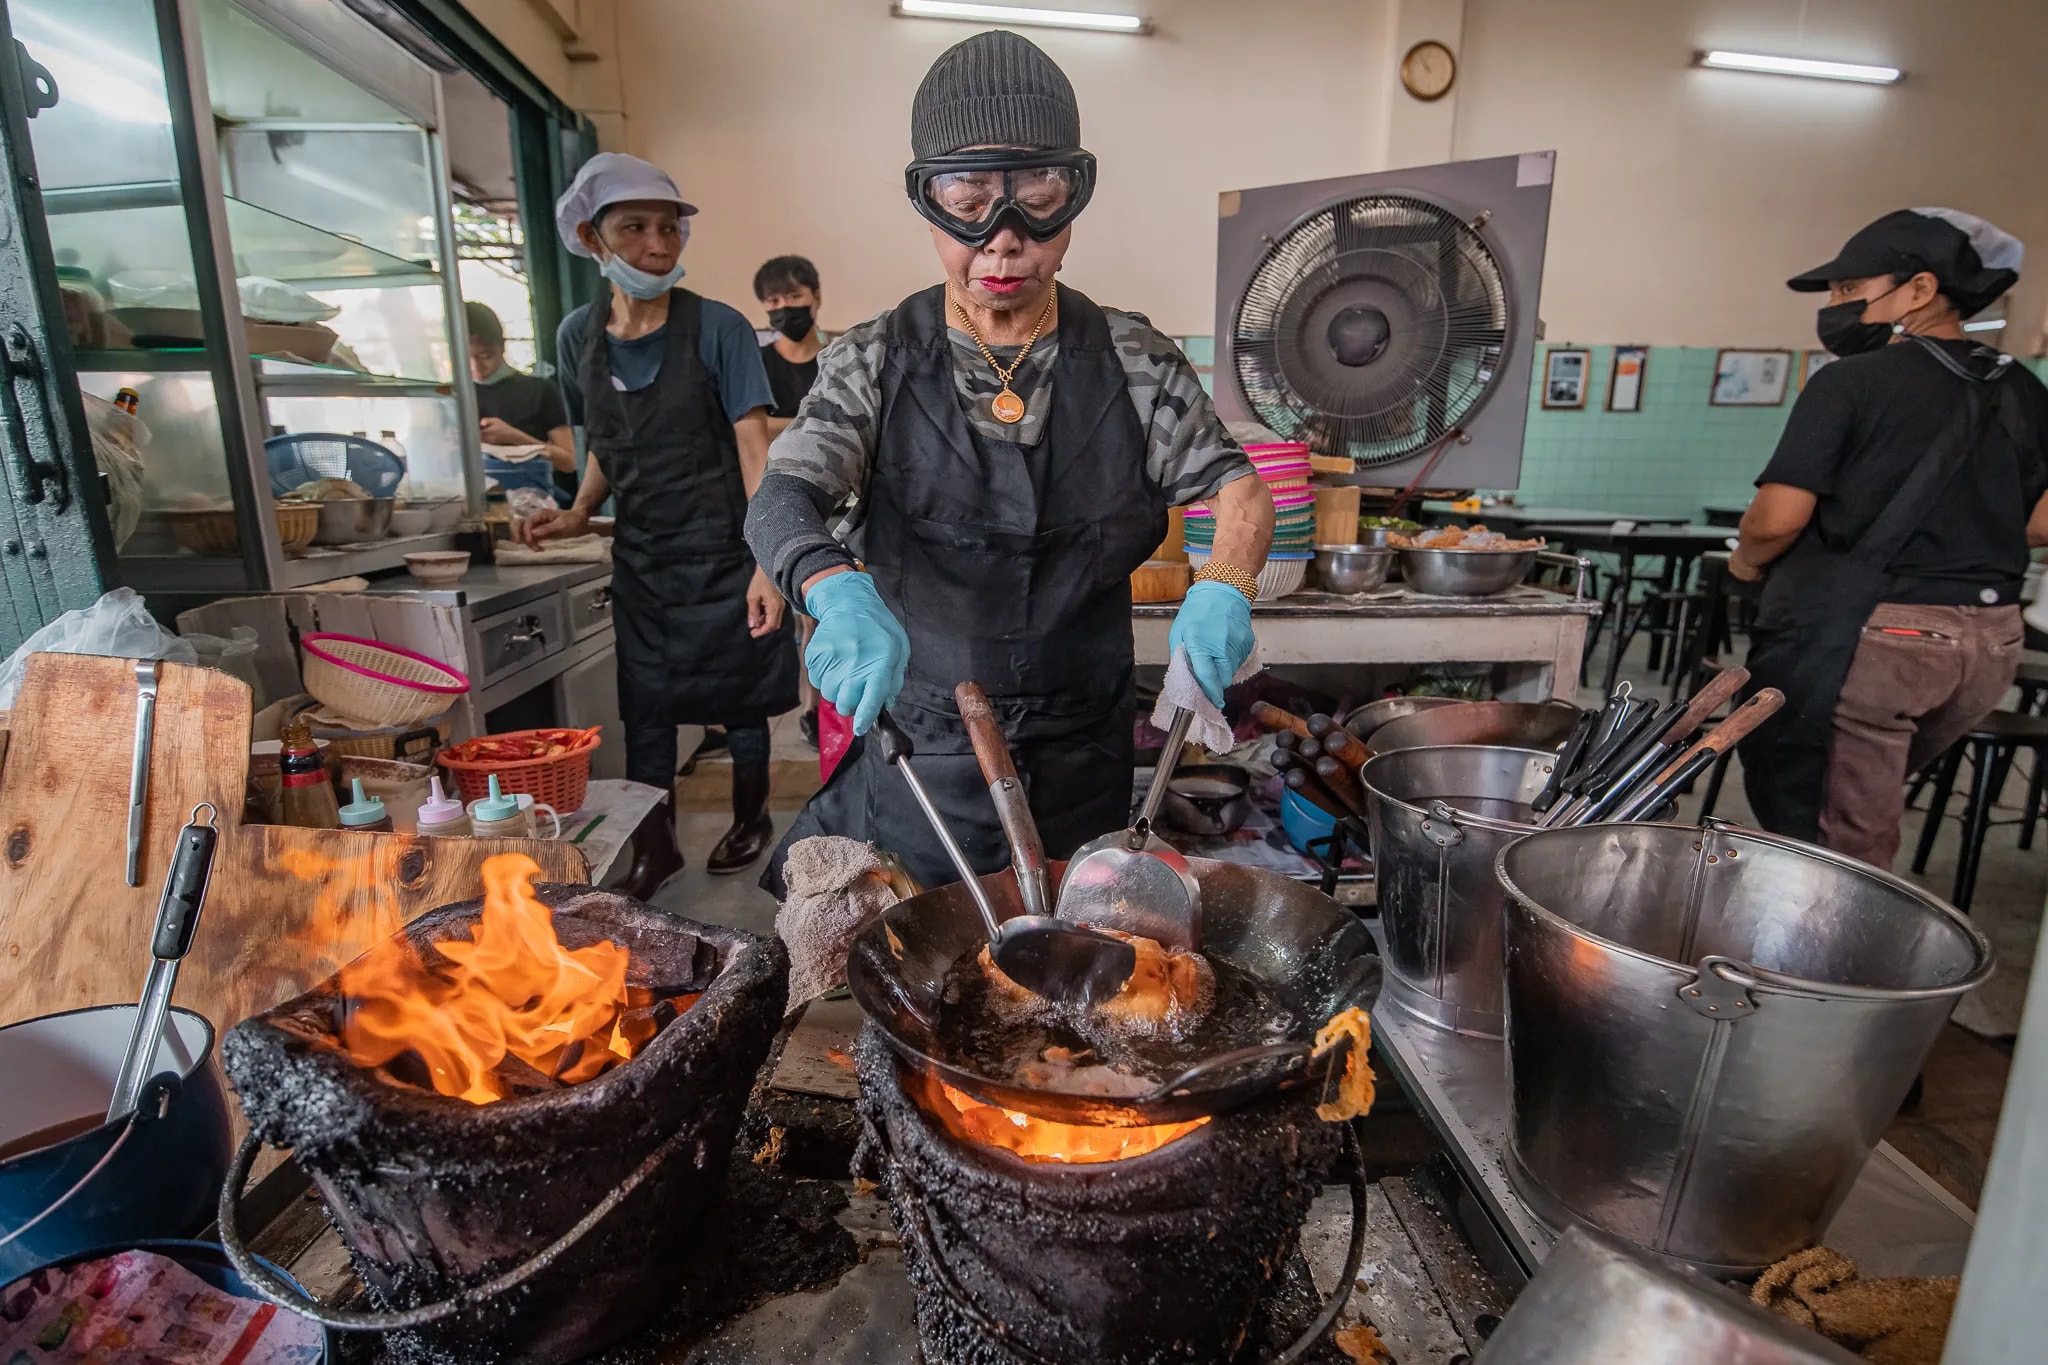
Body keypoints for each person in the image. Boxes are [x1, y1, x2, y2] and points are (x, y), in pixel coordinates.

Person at [745, 30, 1273, 895]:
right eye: (968, 200)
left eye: (1038, 199)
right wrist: (828, 584)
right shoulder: (872, 358)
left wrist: (1225, 586)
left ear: (1074, 197)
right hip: (924, 740)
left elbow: (1241, 491)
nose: (1003, 240)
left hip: (1086, 738)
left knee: (1082, 939)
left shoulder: (1135, 358)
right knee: (928, 940)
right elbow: (781, 498)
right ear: (927, 203)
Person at [1732, 207, 2048, 869]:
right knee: (1862, 797)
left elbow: (1777, 518)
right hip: (1989, 644)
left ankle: (1841, 937)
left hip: (1883, 640)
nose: (1836, 307)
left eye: (1850, 289)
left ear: (1920, 289)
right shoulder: (2023, 388)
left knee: (1838, 837)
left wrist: (1747, 562)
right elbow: (2041, 522)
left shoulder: (1850, 382)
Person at [518, 152, 799, 888]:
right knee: (646, 707)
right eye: (635, 228)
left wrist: (768, 560)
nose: (657, 244)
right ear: (591, 237)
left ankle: (750, 819)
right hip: (644, 560)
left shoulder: (719, 327)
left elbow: (754, 446)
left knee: (743, 699)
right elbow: (605, 442)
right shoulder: (578, 336)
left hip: (726, 551)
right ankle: (656, 845)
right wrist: (580, 510)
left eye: (670, 228)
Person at [465, 302, 577, 506]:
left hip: (531, 504)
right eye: (467, 358)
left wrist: (514, 437)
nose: (477, 367)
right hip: (472, 504)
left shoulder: (540, 390)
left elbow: (569, 462)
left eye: (485, 356)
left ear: (502, 347)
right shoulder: (455, 397)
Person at [755, 255, 828, 440]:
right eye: (774, 301)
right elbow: (752, 428)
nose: (784, 307)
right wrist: (817, 423)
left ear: (817, 297)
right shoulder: (755, 364)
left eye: (795, 297)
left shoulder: (838, 363)